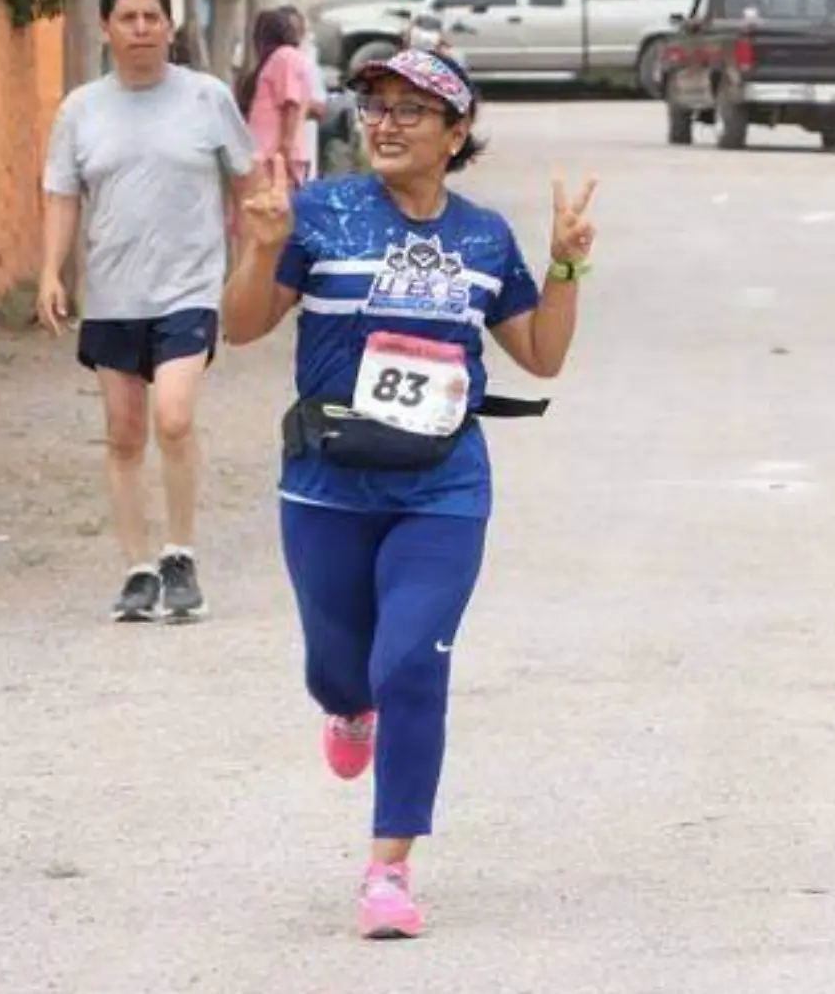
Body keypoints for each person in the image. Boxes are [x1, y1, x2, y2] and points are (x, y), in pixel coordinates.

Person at [220, 46, 598, 939]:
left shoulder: (481, 239)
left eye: (411, 111)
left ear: (456, 134)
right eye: (375, 106)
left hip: (443, 486)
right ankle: (346, 710)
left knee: (412, 665)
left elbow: (540, 354)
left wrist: (567, 266)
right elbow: (239, 329)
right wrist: (263, 246)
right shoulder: (318, 215)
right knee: (340, 669)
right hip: (326, 485)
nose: (385, 124)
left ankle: (388, 869)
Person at [38, 0, 258, 624]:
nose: (140, 29)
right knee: (125, 433)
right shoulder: (81, 109)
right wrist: (51, 270)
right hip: (113, 294)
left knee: (175, 417)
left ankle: (180, 554)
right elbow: (62, 194)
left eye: (151, 17)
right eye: (127, 18)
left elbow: (245, 183)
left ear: (169, 25)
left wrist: (250, 263)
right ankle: (137, 568)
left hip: (189, 289)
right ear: (106, 28)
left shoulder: (206, 97)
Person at [239, 8, 316, 188]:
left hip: (275, 158)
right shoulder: (278, 59)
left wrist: (285, 152)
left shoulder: (284, 57)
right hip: (267, 157)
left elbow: (291, 103)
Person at [277, 4, 331, 180]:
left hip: (301, 151)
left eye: (296, 31)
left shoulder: (306, 64)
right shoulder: (268, 64)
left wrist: (293, 107)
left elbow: (320, 108)